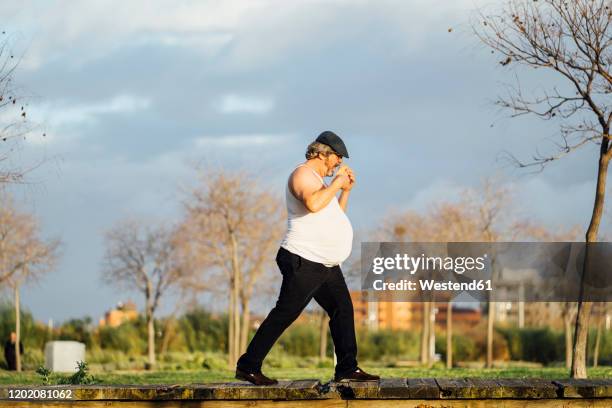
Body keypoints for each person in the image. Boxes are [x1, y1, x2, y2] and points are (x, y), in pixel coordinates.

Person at [235, 131, 379, 385]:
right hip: (303, 259)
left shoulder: (321, 183)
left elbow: (332, 215)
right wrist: (336, 183)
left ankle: (347, 368)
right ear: (324, 154)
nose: (339, 164)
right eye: (337, 159)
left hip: (324, 262)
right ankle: (248, 366)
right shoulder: (301, 174)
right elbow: (313, 204)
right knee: (286, 312)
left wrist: (345, 191)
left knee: (342, 308)